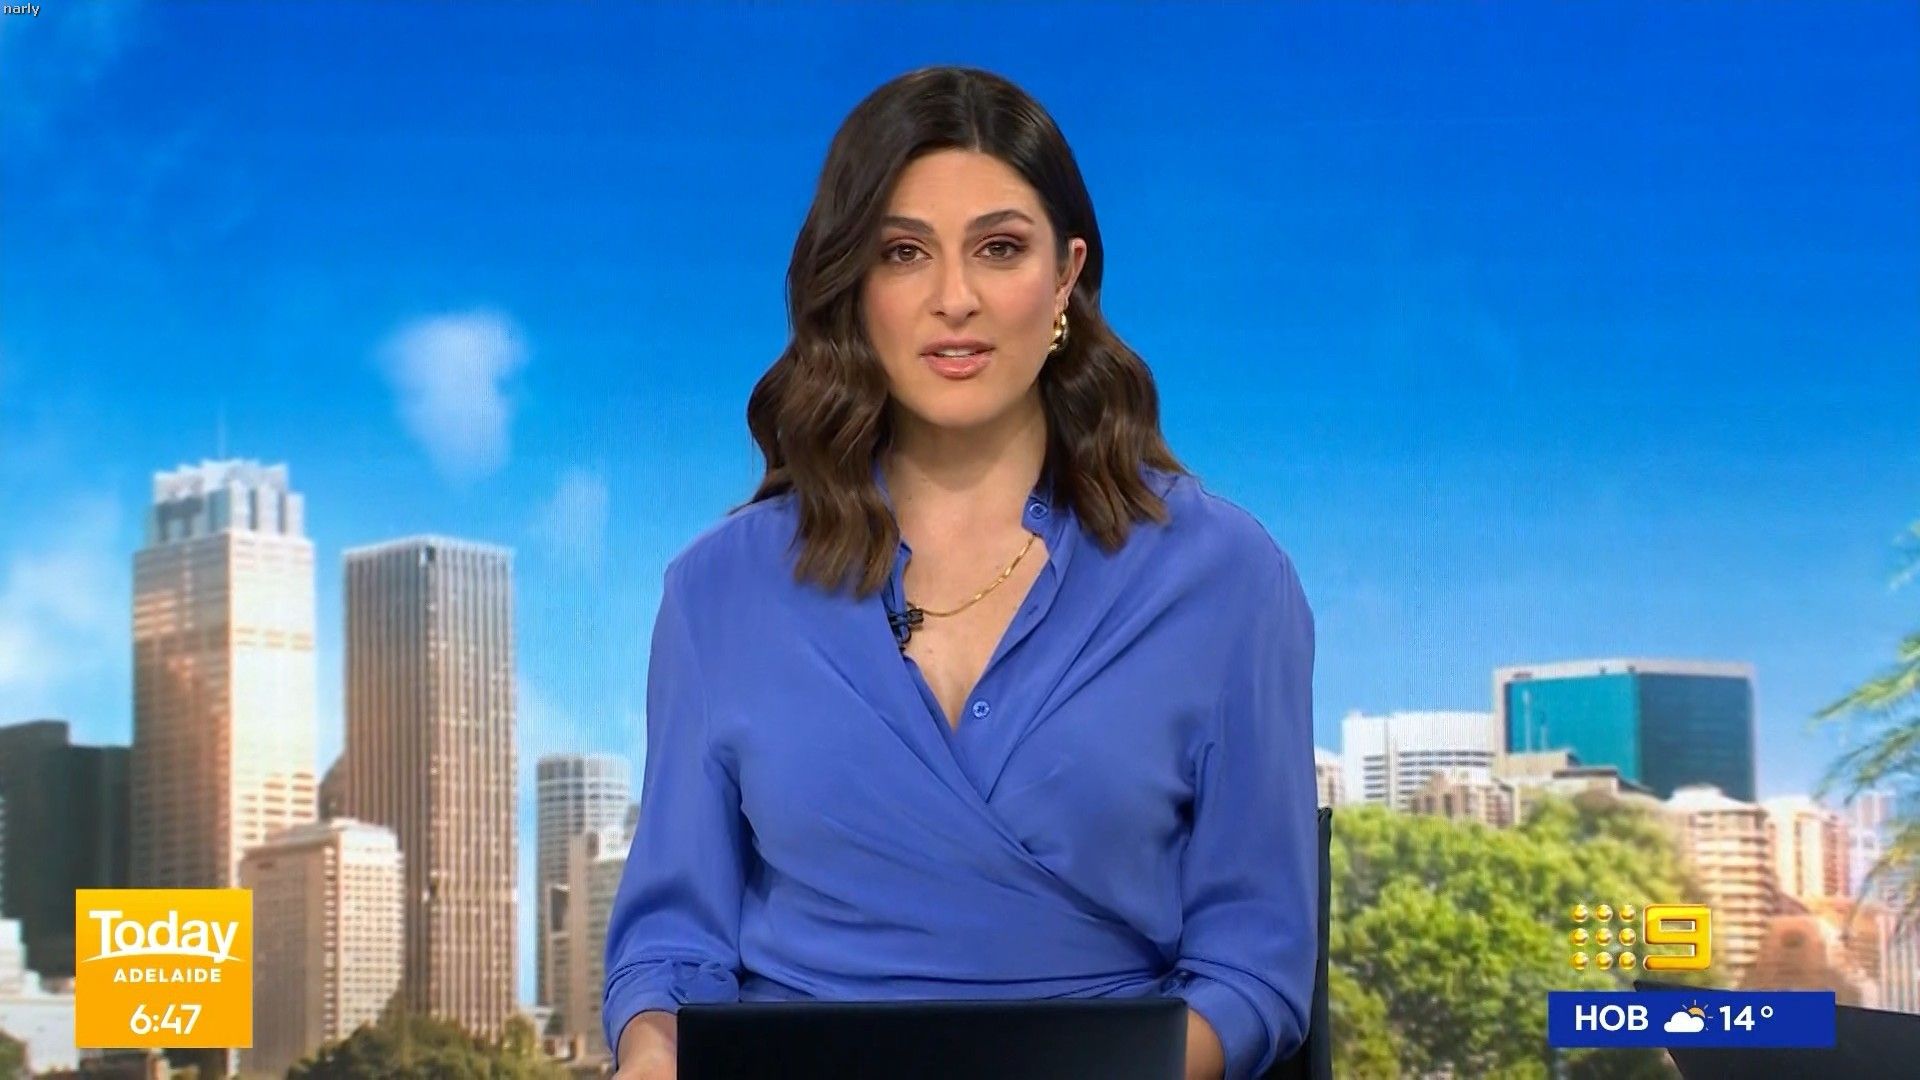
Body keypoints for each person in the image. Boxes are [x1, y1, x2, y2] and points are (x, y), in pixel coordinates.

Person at [603, 65, 1317, 1080]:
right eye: (904, 253)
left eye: (1000, 248)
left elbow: (1255, 965)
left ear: (1066, 277)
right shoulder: (716, 593)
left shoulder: (1229, 580)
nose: (954, 300)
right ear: (853, 286)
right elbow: (671, 954)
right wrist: (651, 1058)